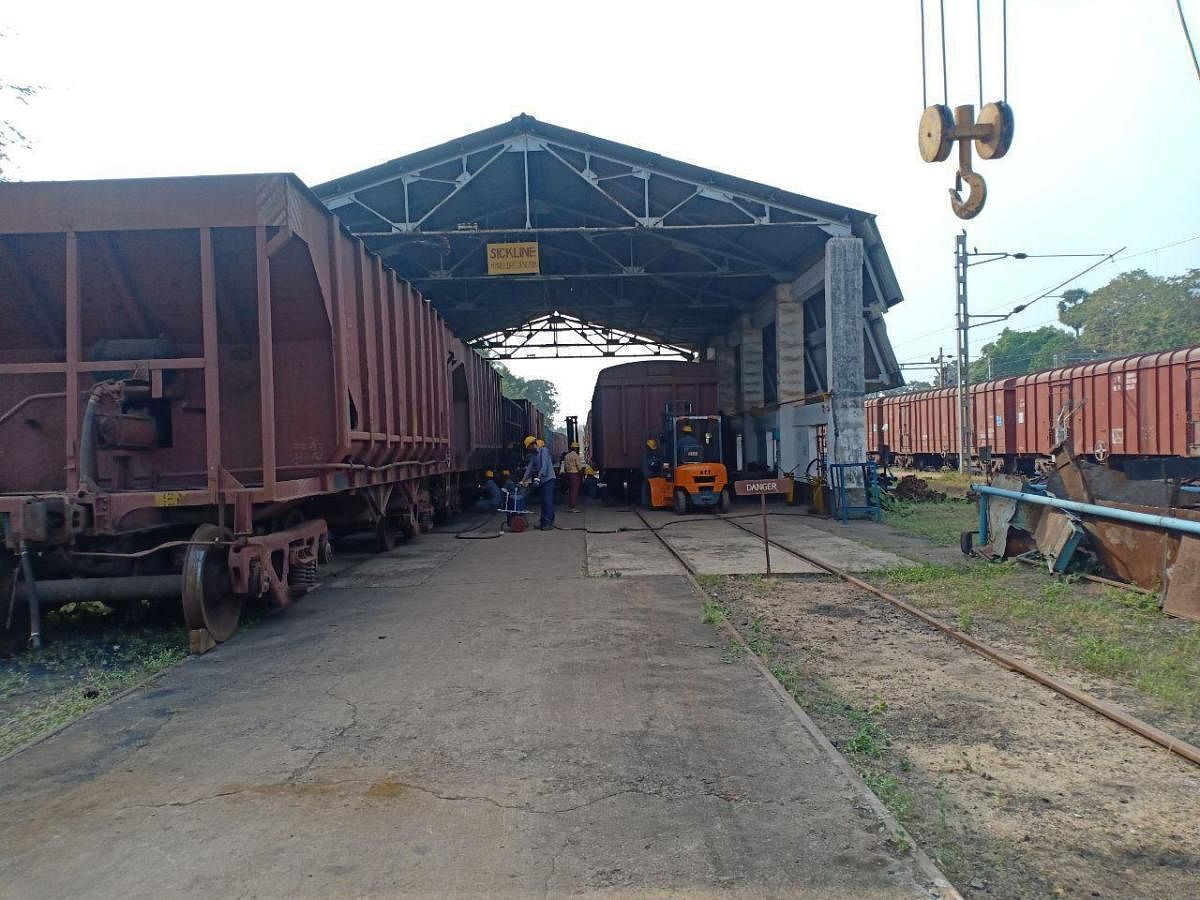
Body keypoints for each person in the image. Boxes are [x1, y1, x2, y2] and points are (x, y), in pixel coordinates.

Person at [520, 434, 557, 530]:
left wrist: (538, 477)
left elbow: (544, 466)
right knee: (543, 501)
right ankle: (544, 520)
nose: (529, 449)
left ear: (532, 444)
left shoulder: (544, 451)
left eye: (529, 447)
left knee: (547, 500)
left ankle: (548, 523)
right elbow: (530, 467)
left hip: (549, 479)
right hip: (542, 480)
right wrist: (523, 480)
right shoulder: (534, 455)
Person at [562, 441, 583, 513]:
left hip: (568, 474)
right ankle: (573, 507)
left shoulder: (566, 456)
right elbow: (579, 467)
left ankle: (570, 506)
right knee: (574, 491)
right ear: (576, 448)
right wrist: (581, 476)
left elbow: (564, 467)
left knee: (571, 491)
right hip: (575, 475)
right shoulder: (576, 456)